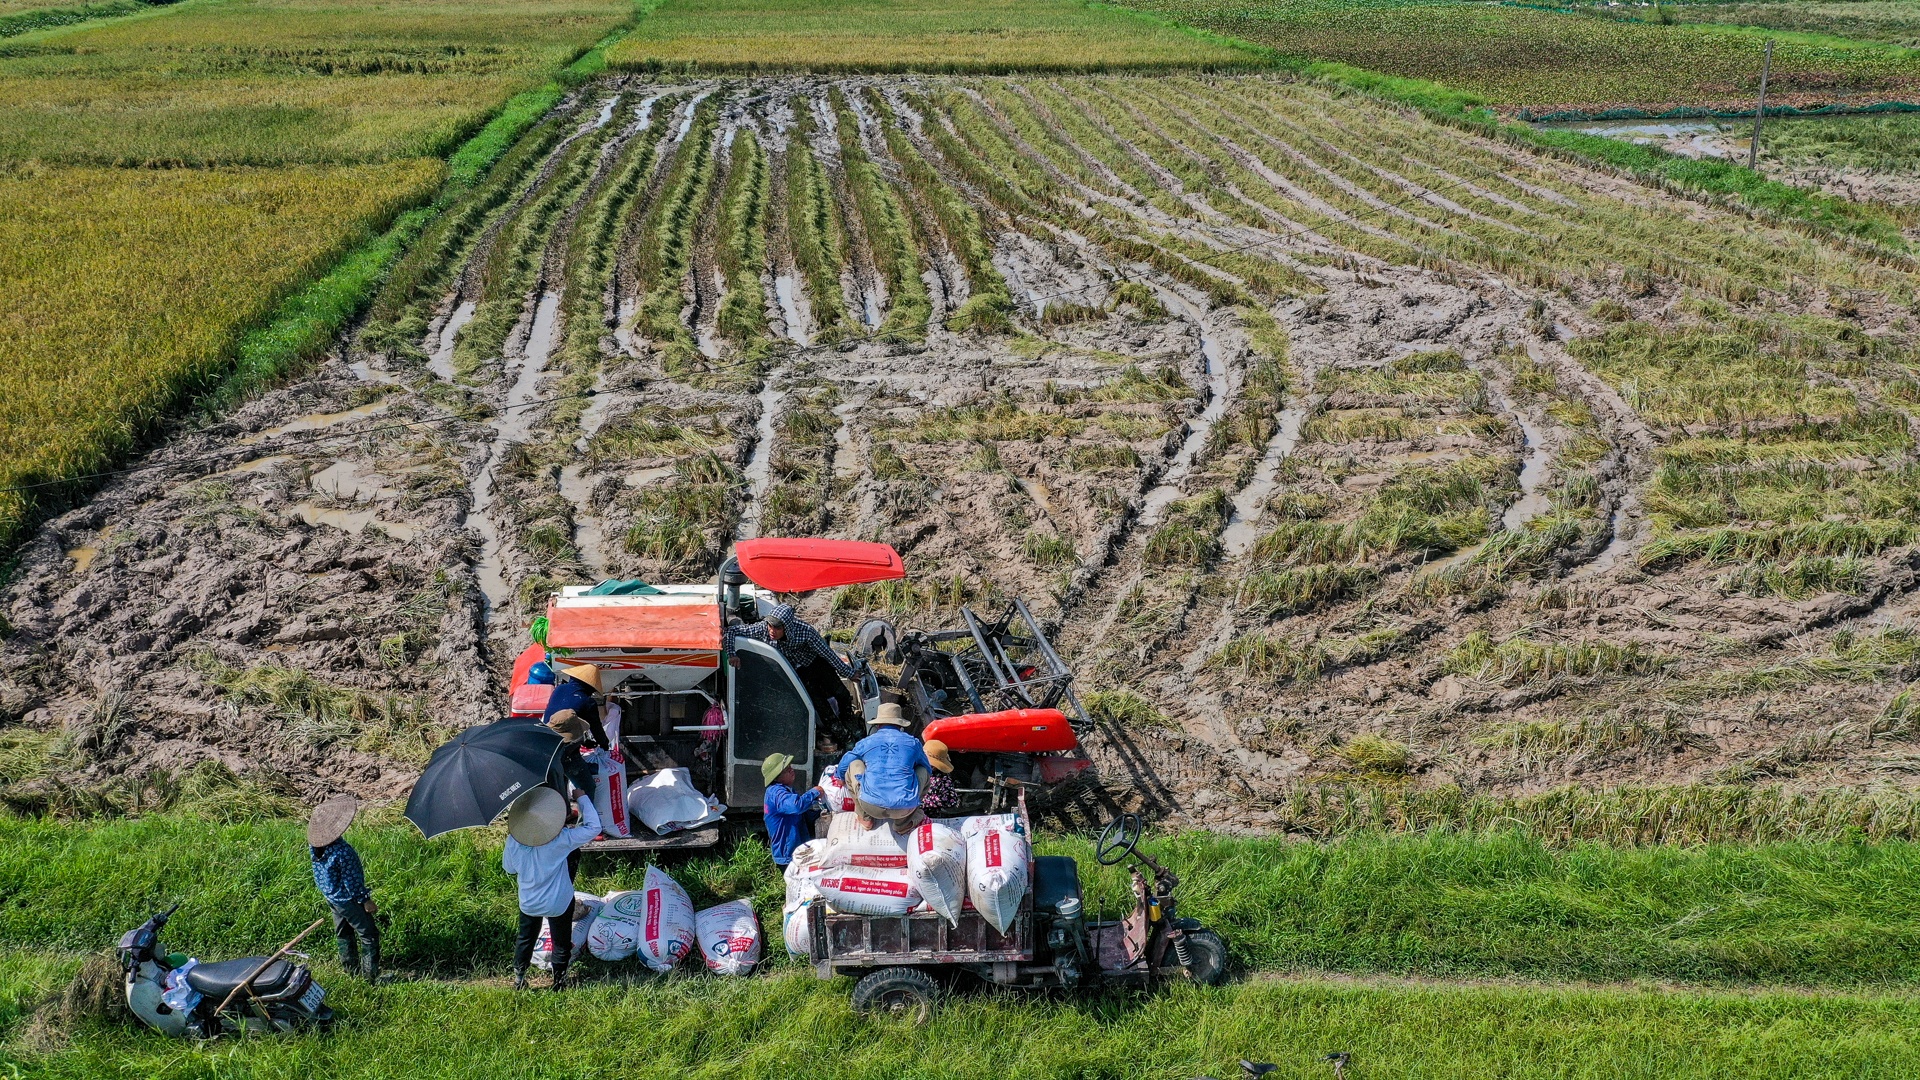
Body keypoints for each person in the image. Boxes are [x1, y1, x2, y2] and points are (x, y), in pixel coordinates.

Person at [503, 786, 601, 991]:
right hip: (558, 902)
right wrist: (581, 798)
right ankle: (559, 982)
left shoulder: (514, 841)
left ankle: (519, 979)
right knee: (561, 941)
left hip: (529, 902)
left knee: (525, 939)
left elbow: (509, 869)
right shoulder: (560, 839)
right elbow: (594, 828)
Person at [725, 603, 857, 729]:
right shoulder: (762, 629)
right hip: (798, 672)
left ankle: (849, 721)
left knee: (842, 693)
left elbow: (828, 654)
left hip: (816, 663)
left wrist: (849, 673)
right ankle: (840, 733)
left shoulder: (806, 632)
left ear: (786, 627)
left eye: (777, 628)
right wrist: (732, 654)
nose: (772, 631)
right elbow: (731, 631)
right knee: (820, 705)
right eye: (770, 626)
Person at [308, 795, 379, 984]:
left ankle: (350, 970)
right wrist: (366, 901)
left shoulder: (315, 846)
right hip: (347, 899)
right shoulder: (343, 852)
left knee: (344, 931)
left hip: (331, 896)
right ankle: (370, 978)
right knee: (369, 934)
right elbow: (352, 882)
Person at [841, 703, 930, 833]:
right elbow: (927, 768)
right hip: (903, 809)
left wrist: (839, 777)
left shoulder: (868, 741)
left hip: (870, 805)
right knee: (923, 771)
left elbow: (845, 762)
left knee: (854, 764)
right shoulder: (913, 742)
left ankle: (865, 817)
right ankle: (903, 823)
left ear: (878, 725)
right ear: (900, 726)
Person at [760, 753, 823, 867]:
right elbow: (796, 806)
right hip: (788, 855)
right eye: (786, 770)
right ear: (776, 776)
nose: (791, 770)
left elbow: (801, 815)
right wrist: (814, 792)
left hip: (796, 850)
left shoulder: (786, 790)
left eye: (790, 766)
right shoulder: (776, 793)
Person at [543, 664, 609, 749]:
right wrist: (605, 745)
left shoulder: (559, 688)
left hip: (546, 728)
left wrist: (585, 742)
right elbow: (596, 728)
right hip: (563, 739)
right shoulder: (587, 702)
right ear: (590, 685)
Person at [920, 739, 959, 814]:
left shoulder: (941, 778)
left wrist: (927, 801)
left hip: (928, 813)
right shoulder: (913, 769)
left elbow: (951, 800)